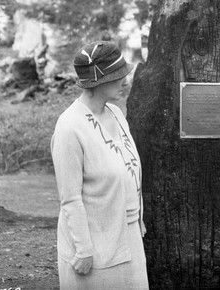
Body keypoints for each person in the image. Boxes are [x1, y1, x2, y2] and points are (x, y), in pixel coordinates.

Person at [51, 41, 149, 289]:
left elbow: (129, 168)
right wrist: (83, 250)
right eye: (118, 77)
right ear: (96, 82)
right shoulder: (69, 128)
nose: (125, 82)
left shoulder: (116, 113)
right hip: (95, 248)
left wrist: (137, 218)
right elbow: (70, 198)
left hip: (129, 237)